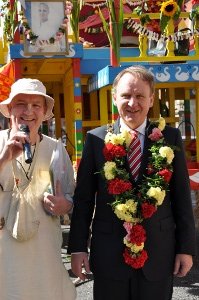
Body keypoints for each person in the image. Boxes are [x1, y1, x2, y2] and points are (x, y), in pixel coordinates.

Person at [68, 65, 196, 300]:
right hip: (109, 253)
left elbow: (181, 198)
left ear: (151, 99)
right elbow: (84, 199)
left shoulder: (170, 137)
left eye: (139, 96)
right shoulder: (95, 139)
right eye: (126, 95)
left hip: (159, 251)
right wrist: (77, 247)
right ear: (114, 97)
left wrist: (186, 249)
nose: (132, 103)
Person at [0, 78, 76, 300]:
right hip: (5, 259)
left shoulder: (56, 148)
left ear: (44, 112)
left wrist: (66, 205)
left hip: (43, 256)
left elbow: (71, 196)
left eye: (36, 105)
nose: (28, 111)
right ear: (10, 109)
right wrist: (4, 158)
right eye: (21, 103)